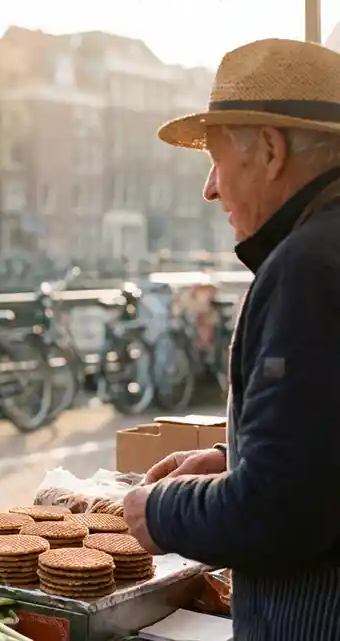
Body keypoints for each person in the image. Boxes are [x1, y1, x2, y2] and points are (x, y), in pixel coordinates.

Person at [123, 38, 340, 640]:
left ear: (270, 150)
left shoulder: (305, 267)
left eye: (216, 160)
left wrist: (157, 511)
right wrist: (231, 459)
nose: (210, 188)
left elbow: (282, 513)